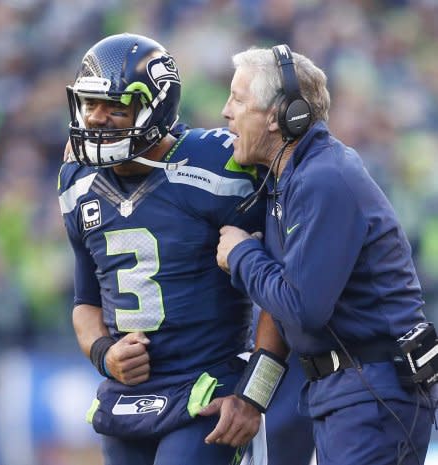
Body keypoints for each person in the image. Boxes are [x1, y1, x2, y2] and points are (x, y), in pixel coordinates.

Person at [57, 33, 287, 465]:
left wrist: (254, 394)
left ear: (155, 108)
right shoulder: (76, 182)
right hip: (127, 399)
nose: (97, 119)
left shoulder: (219, 166)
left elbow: (279, 291)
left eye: (116, 107)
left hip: (206, 390)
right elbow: (85, 302)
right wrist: (105, 355)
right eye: (90, 104)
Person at [215, 44, 435, 465]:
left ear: (281, 116)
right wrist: (252, 397)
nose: (226, 111)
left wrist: (243, 254)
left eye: (239, 99)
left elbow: (302, 307)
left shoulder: (323, 179)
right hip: (348, 393)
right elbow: (280, 317)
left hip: (372, 394)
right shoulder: (292, 177)